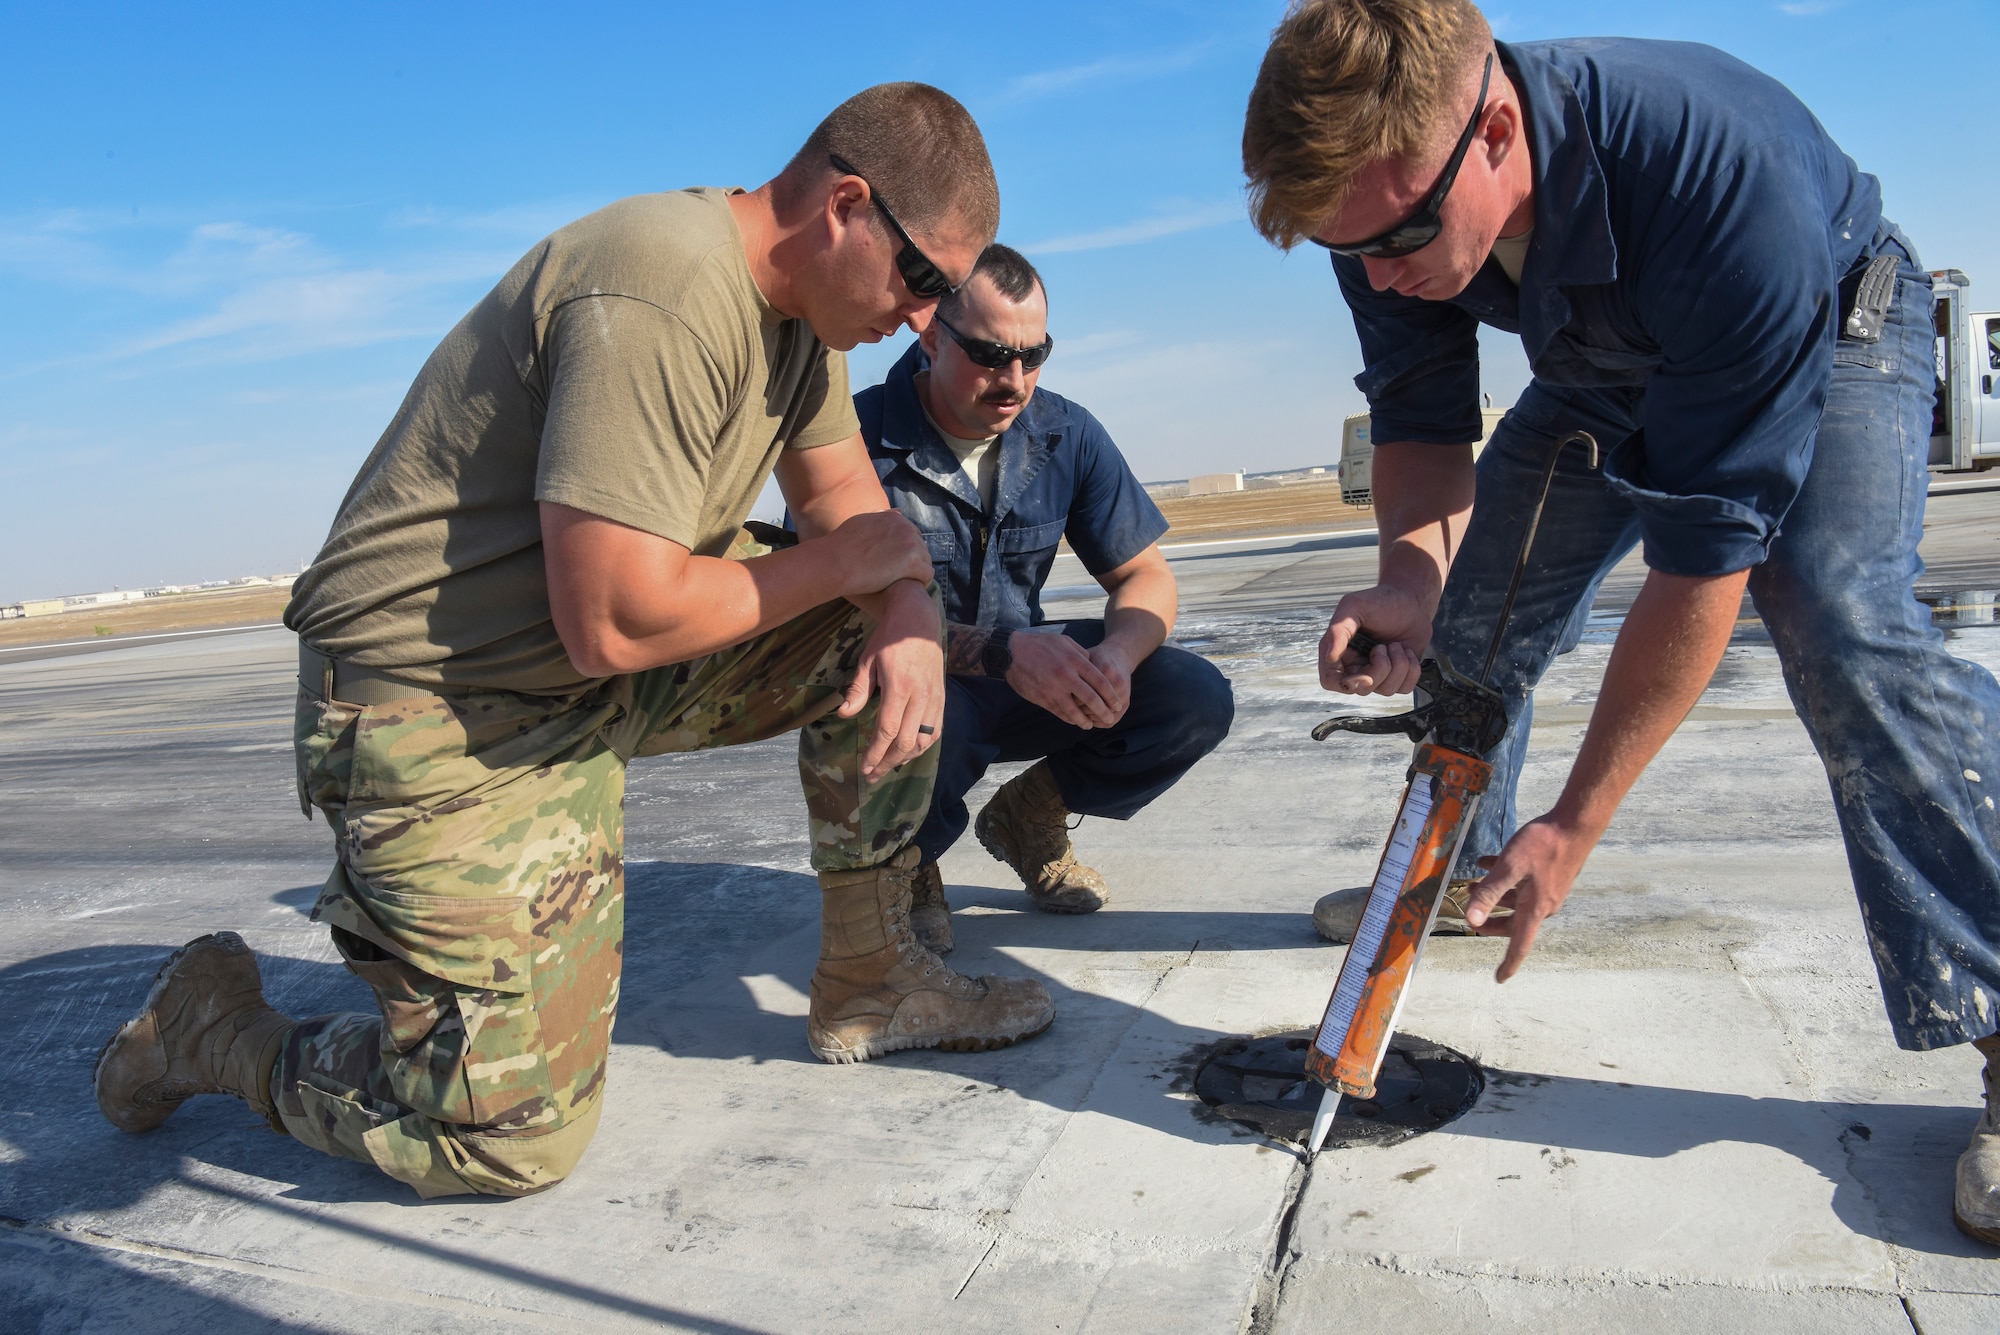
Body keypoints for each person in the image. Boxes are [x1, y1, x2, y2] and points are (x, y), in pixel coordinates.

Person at [93, 83, 1057, 1201]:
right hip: (449, 713)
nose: (926, 319)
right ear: (846, 204)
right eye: (924, 279)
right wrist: (864, 569)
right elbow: (616, 618)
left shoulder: (806, 326)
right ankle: (213, 1031)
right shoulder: (659, 286)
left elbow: (857, 522)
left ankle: (872, 978)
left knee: (872, 633)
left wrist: (903, 614)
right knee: (505, 1136)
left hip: (590, 674)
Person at [1241, 0, 2000, 1243]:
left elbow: (1701, 565)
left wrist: (1577, 823)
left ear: (1493, 129)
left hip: (1830, 320)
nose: (1377, 275)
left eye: (1398, 241)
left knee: (1833, 615)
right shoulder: (1380, 192)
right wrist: (1410, 585)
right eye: (1350, 252)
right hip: (1608, 355)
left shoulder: (1713, 179)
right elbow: (1423, 425)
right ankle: (1446, 873)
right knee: (1475, 632)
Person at [852, 244, 1233, 952]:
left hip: (1026, 679)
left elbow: (1145, 577)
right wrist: (1000, 653)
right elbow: (832, 622)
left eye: (1035, 355)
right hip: (922, 686)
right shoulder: (857, 442)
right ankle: (910, 860)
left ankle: (1032, 813)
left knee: (1192, 694)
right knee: (914, 705)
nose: (1016, 380)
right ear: (931, 333)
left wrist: (1116, 657)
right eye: (993, 354)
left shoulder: (1066, 433)